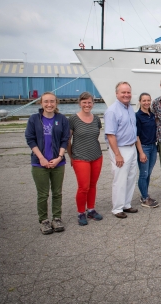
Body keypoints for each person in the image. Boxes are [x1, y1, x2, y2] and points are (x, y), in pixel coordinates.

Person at [25, 92, 70, 234]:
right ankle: (44, 220)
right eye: (46, 102)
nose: (49, 104)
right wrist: (41, 158)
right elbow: (30, 139)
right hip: (40, 164)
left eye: (52, 101)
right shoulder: (34, 119)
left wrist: (59, 157)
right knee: (43, 194)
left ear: (56, 103)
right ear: (41, 103)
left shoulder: (62, 119)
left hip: (58, 162)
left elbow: (65, 139)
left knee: (57, 192)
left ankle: (56, 218)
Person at [67, 92, 104, 226]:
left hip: (96, 155)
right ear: (80, 103)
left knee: (93, 185)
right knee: (84, 187)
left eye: (89, 102)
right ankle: (81, 212)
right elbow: (68, 140)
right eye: (84, 102)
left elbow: (95, 136)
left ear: (93, 104)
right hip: (80, 157)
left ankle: (91, 209)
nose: (87, 105)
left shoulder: (96, 119)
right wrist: (71, 156)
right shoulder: (73, 119)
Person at [104, 81, 138, 219]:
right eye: (123, 92)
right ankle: (117, 208)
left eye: (128, 92)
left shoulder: (129, 108)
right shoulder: (112, 111)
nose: (126, 95)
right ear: (116, 94)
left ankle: (126, 204)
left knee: (131, 177)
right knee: (120, 179)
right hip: (120, 149)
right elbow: (110, 135)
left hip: (131, 147)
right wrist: (117, 154)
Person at [135, 93, 160, 208]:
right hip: (144, 147)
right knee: (144, 174)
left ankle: (145, 194)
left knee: (148, 173)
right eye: (144, 100)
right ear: (140, 101)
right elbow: (137, 136)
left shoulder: (152, 115)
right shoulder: (137, 116)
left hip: (153, 147)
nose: (146, 103)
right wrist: (141, 152)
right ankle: (145, 198)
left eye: (148, 100)